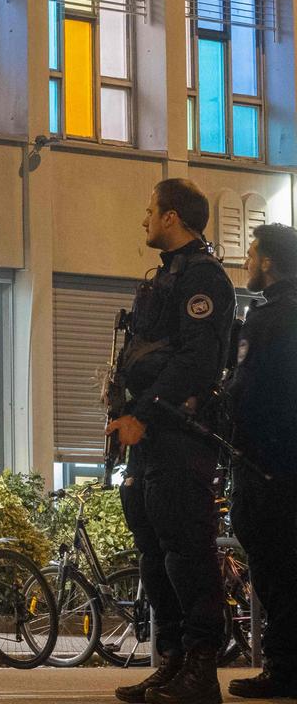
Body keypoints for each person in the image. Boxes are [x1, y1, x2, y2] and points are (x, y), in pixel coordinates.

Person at [107, 179, 236, 704]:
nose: (144, 220)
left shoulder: (203, 277)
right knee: (154, 551)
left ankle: (201, 671)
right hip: (151, 437)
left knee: (186, 551)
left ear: (172, 217)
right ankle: (174, 662)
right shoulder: (168, 277)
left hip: (180, 434)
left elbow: (197, 362)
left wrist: (144, 413)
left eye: (150, 210)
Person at [225, 223, 297, 699]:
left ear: (268, 261)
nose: (247, 261)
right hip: (280, 463)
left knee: (276, 571)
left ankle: (283, 668)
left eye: (251, 254)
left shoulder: (269, 317)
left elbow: (250, 393)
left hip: (267, 467)